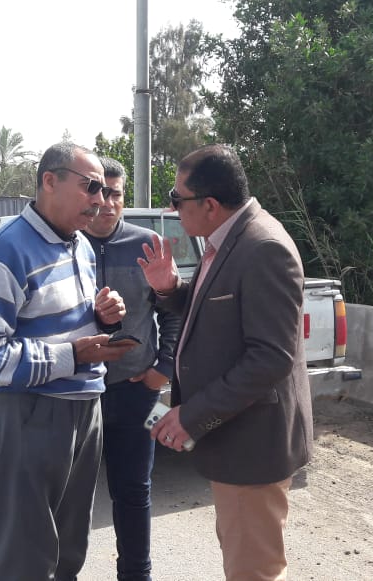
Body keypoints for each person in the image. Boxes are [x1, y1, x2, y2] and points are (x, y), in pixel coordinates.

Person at [139, 144, 313, 581]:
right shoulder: (228, 239)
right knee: (245, 558)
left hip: (252, 446)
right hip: (238, 440)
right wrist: (170, 289)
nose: (172, 208)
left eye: (177, 199)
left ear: (210, 205)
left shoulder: (262, 248)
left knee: (253, 570)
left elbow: (270, 358)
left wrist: (192, 415)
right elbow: (214, 314)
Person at [0, 142, 133, 580]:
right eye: (90, 187)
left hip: (85, 403)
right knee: (27, 554)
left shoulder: (81, 245)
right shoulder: (6, 249)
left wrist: (103, 316)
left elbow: (60, 321)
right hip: (32, 410)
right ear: (50, 181)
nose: (100, 200)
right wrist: (70, 355)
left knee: (70, 545)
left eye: (104, 189)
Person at [82, 157, 181, 581]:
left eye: (116, 194)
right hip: (75, 393)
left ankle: (137, 575)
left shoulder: (148, 245)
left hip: (138, 391)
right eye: (100, 192)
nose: (108, 203)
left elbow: (173, 312)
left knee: (135, 491)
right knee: (69, 494)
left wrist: (163, 370)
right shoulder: (67, 245)